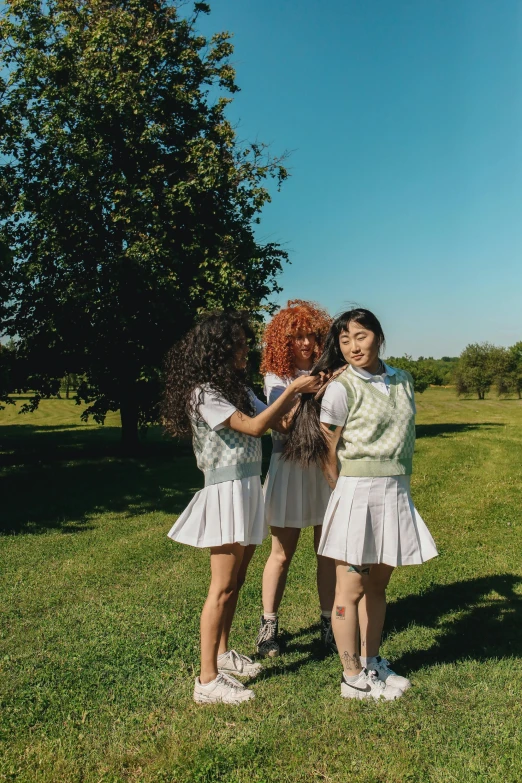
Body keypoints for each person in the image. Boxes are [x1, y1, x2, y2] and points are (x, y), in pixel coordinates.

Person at [162, 311, 321, 705]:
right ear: (219, 348)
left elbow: (277, 424)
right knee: (221, 587)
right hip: (225, 490)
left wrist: (304, 392)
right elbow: (253, 428)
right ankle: (206, 680)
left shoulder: (235, 387)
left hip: (249, 486)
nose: (245, 350)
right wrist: (290, 390)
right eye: (238, 344)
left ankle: (222, 654)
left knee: (236, 582)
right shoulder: (203, 392)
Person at [284, 308, 438, 700]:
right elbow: (327, 451)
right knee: (349, 589)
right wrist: (342, 492)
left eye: (361, 336)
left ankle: (372, 663)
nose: (353, 346)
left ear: (379, 336)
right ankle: (351, 675)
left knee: (378, 585)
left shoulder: (403, 380)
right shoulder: (340, 388)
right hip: (356, 494)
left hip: (395, 492)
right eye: (345, 339)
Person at [256, 300, 336, 657]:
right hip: (288, 467)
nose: (304, 343)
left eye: (310, 336)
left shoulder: (335, 370)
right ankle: (269, 627)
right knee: (281, 554)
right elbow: (283, 425)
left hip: (323, 468)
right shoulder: (277, 377)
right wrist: (302, 390)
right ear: (283, 341)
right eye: (296, 337)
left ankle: (330, 625)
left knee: (328, 553)